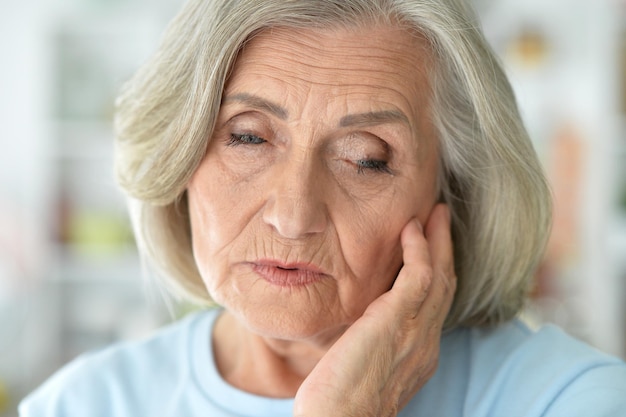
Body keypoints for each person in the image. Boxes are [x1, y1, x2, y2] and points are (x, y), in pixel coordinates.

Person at [20, 0, 626, 416]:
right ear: (180, 158)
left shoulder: (568, 398)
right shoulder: (81, 404)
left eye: (366, 158)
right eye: (249, 137)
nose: (292, 214)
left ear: (451, 195)